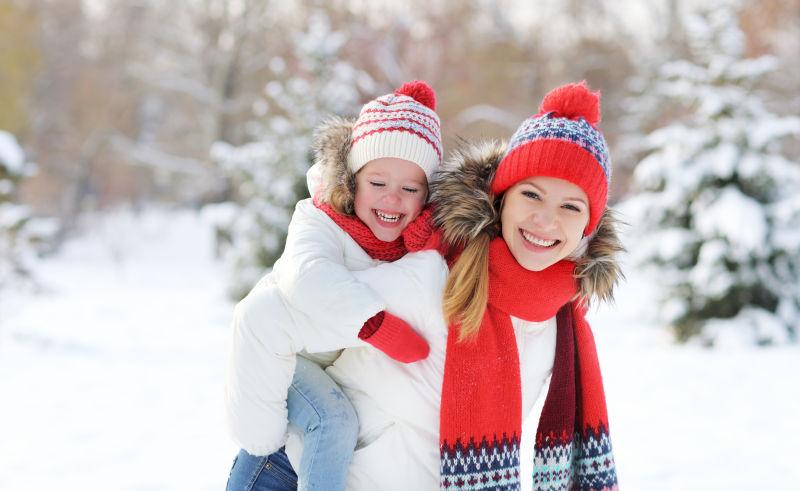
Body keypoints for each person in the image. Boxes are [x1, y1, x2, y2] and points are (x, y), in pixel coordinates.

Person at [298, 81, 623, 490]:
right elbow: (290, 326)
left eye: (570, 206)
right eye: (532, 195)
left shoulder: (562, 320)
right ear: (502, 198)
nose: (546, 220)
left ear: (588, 227)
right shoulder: (434, 273)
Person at [225, 81, 443, 491]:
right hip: (285, 358)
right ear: (353, 179)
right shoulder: (319, 218)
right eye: (377, 183)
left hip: (324, 366)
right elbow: (307, 274)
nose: (392, 200)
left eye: (410, 189)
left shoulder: (412, 245)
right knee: (332, 421)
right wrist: (377, 326)